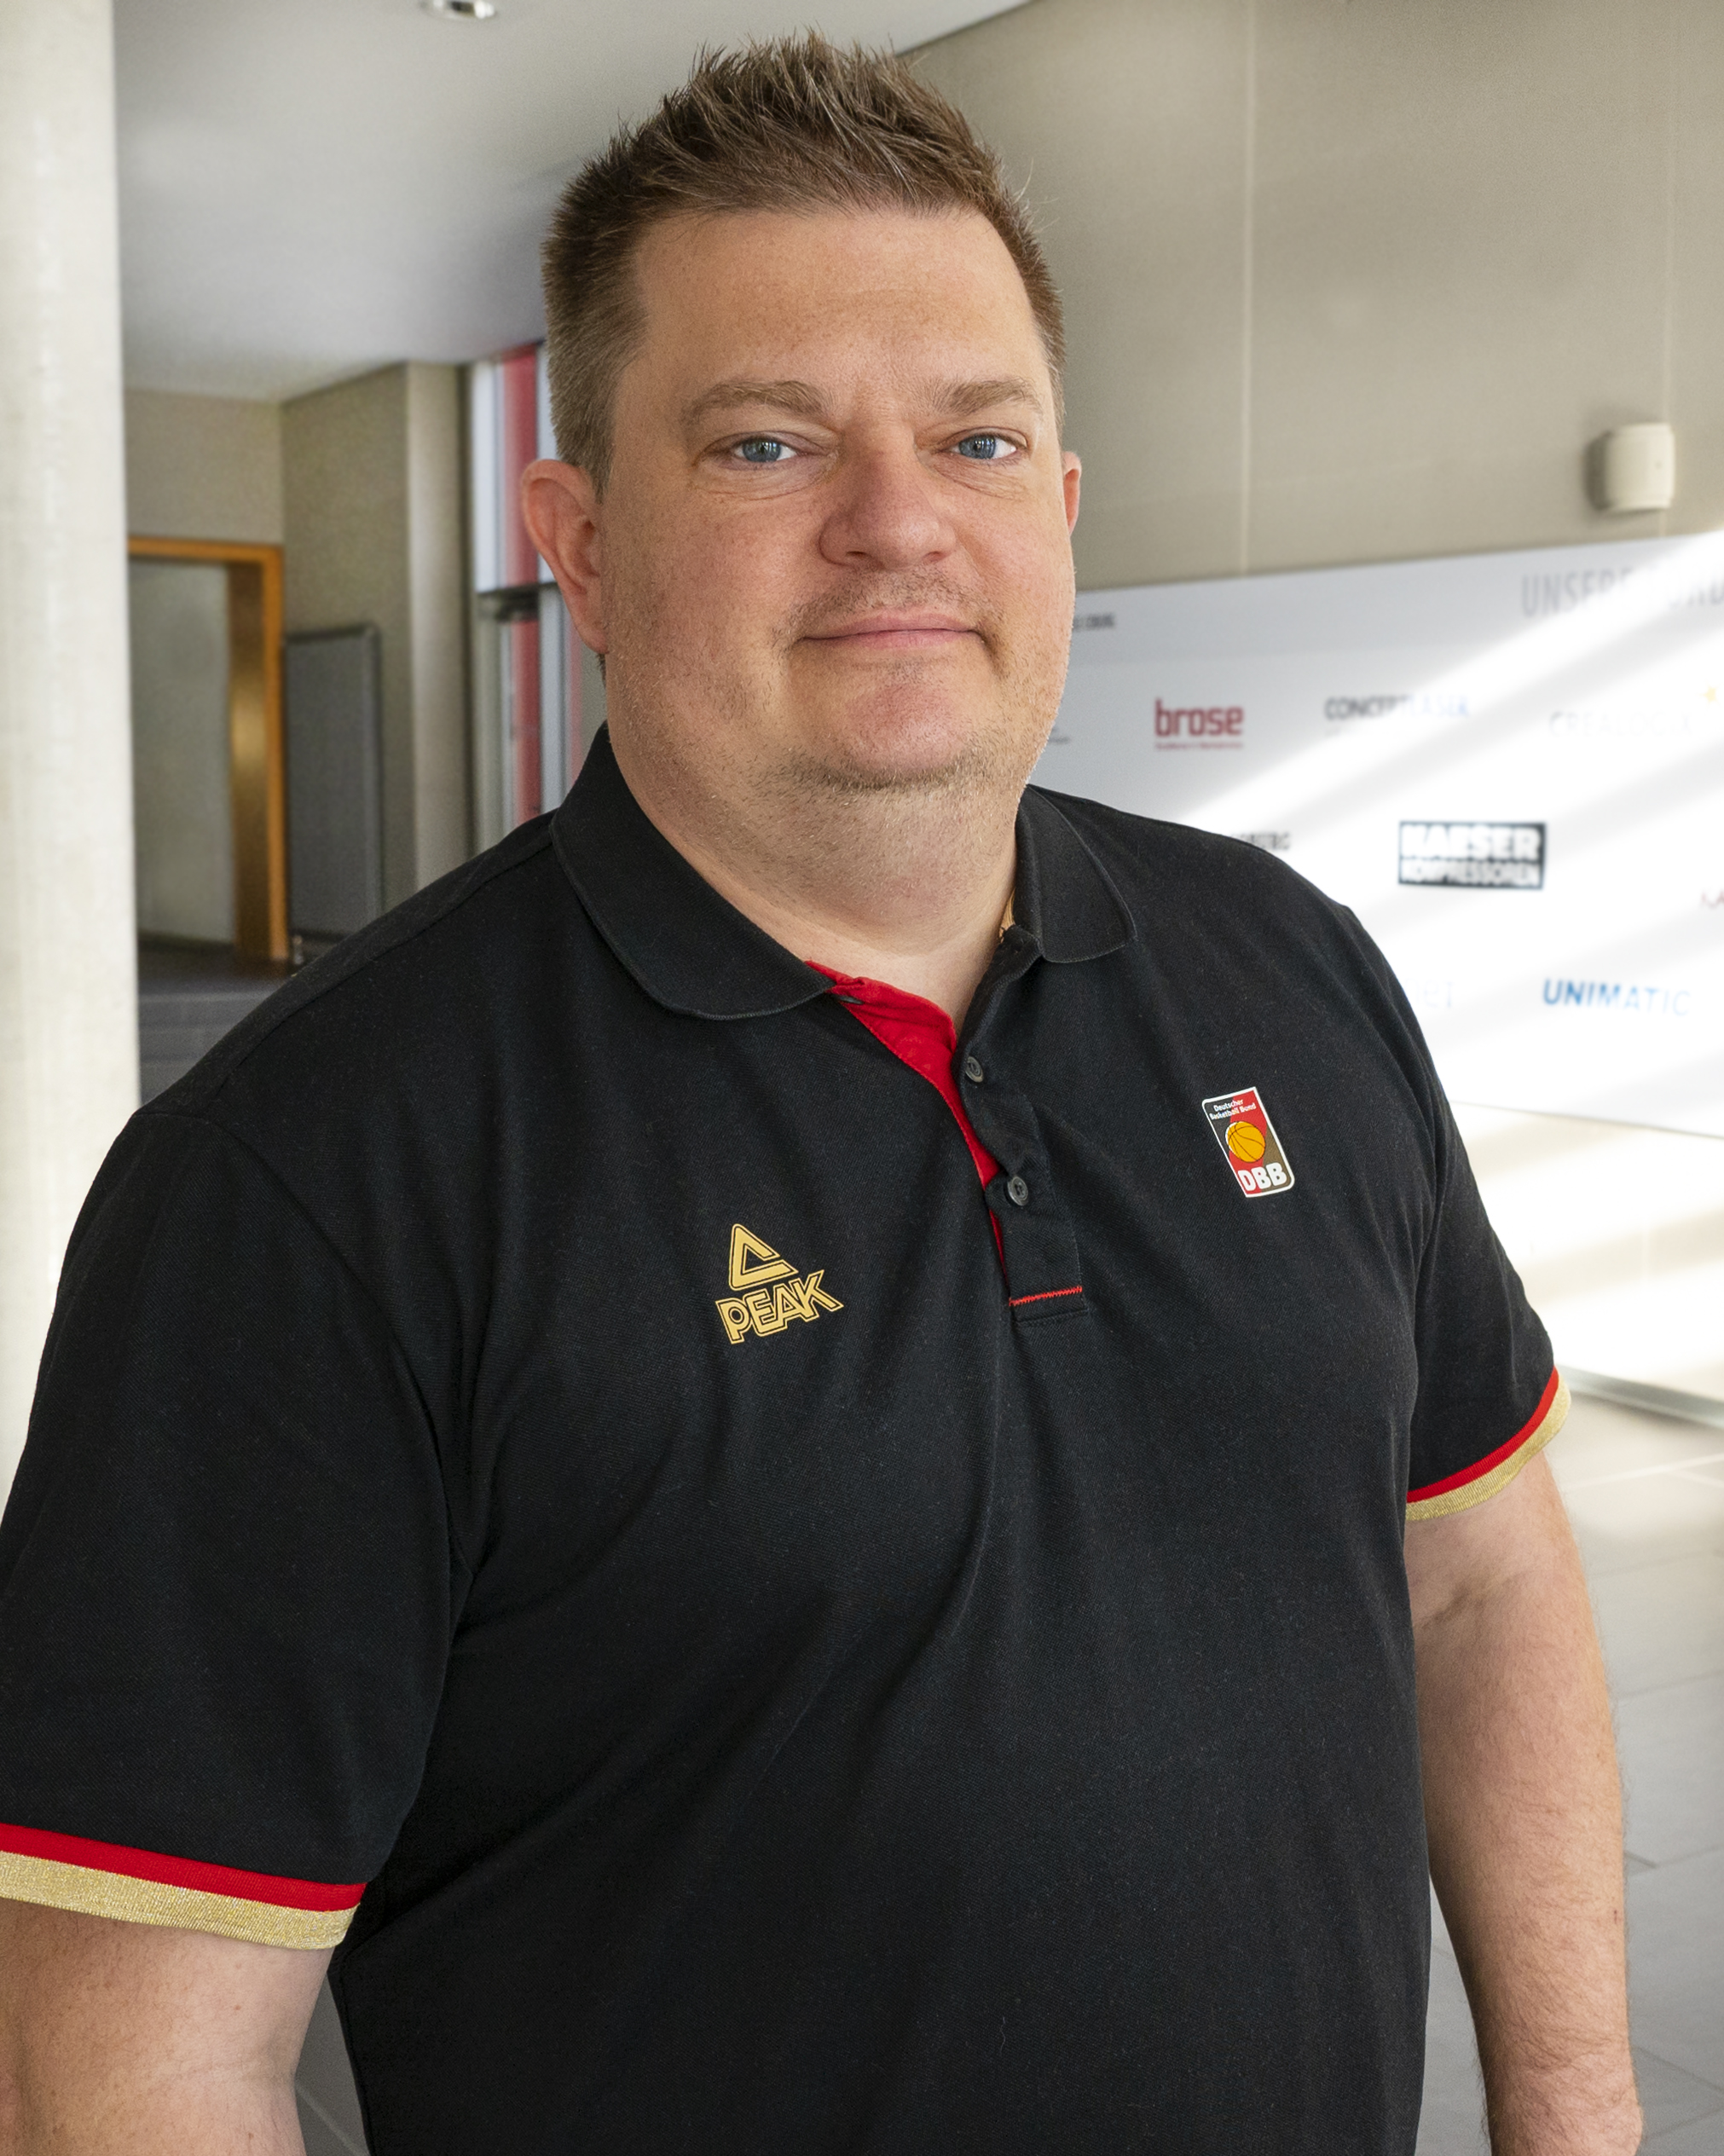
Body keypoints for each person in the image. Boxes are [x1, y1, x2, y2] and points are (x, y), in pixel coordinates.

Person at [0, 36, 1639, 2156]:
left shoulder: (1293, 967)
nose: (897, 525)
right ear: (578, 543)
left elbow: (1480, 1580)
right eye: (768, 444)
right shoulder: (312, 1175)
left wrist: (1579, 2116)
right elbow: (129, 2053)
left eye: (974, 437)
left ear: (1056, 510)